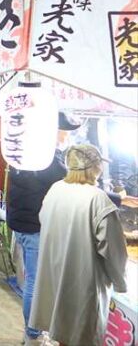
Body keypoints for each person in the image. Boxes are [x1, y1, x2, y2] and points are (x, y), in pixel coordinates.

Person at [30, 145, 128, 346]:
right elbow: (113, 250)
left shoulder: (56, 189)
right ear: (94, 167)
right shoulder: (98, 199)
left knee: (61, 333)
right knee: (81, 335)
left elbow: (43, 219)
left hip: (56, 272)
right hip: (85, 281)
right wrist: (120, 282)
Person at [7, 112, 80, 344]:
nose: (67, 134)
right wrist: (116, 199)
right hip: (34, 226)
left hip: (23, 224)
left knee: (33, 281)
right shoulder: (45, 157)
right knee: (35, 283)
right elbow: (75, 182)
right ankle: (33, 334)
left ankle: (32, 332)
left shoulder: (25, 151)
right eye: (64, 129)